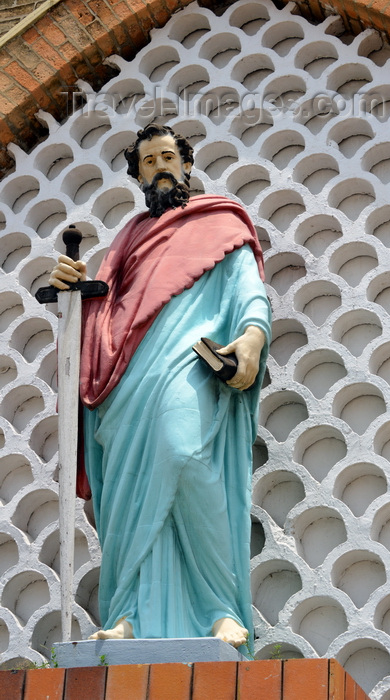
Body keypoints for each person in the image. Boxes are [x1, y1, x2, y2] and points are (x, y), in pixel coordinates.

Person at [49, 122, 271, 650]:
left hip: (186, 364)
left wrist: (253, 339)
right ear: (138, 174)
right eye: (148, 162)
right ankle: (128, 610)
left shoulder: (220, 221)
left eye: (167, 156)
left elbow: (248, 290)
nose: (159, 168)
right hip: (126, 380)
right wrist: (73, 292)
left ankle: (219, 606)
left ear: (186, 164)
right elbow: (104, 312)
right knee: (126, 491)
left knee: (183, 454)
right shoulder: (127, 239)